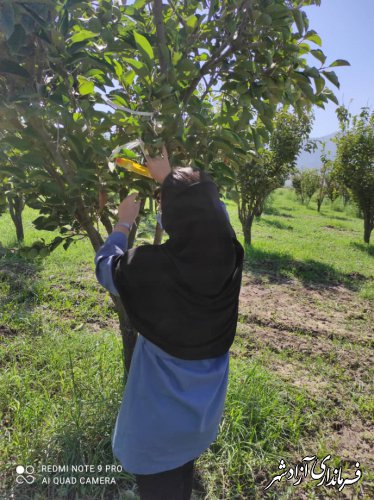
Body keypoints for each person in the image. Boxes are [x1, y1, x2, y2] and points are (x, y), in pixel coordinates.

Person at [94, 146, 244, 500]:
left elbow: (106, 267)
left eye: (164, 208)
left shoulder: (152, 267)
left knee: (160, 485)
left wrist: (123, 223)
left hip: (158, 426)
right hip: (200, 416)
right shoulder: (229, 254)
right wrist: (170, 178)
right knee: (181, 472)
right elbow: (214, 213)